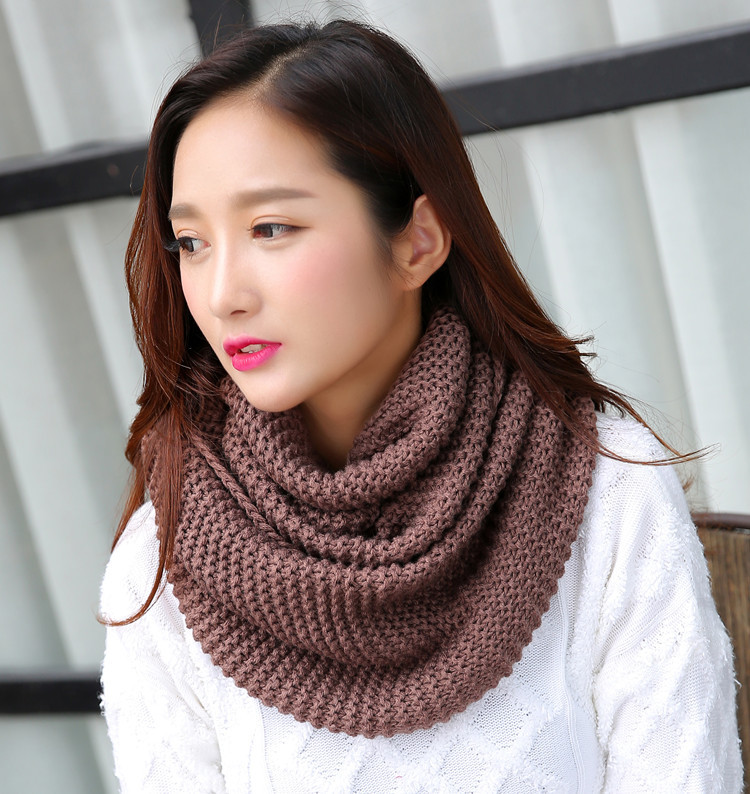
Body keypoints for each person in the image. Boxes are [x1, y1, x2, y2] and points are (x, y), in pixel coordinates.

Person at [99, 19, 742, 793]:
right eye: (191, 243)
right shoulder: (165, 560)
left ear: (417, 242)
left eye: (271, 227)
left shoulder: (608, 490)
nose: (221, 294)